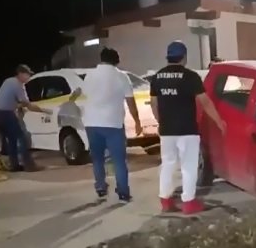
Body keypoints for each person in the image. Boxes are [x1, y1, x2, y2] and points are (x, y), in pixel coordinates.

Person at [150, 40, 225, 215]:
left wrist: (161, 121)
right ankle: (188, 202)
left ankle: (165, 200)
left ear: (168, 56)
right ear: (183, 57)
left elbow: (154, 104)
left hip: (167, 131)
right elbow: (205, 102)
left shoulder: (157, 77)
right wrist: (219, 121)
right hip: (187, 130)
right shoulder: (190, 76)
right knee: (188, 166)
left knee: (167, 164)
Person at [71, 47, 141, 202]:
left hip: (92, 124)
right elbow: (130, 101)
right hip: (113, 124)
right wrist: (137, 122)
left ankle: (101, 187)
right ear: (116, 60)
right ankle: (123, 192)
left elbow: (77, 92)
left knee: (97, 159)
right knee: (119, 160)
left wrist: (71, 101)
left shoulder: (90, 75)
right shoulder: (121, 77)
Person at [0, 64, 51, 172]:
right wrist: (44, 111)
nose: (29, 78)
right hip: (5, 114)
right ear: (21, 74)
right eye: (28, 75)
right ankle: (29, 165)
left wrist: (18, 106)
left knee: (12, 139)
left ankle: (14, 165)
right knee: (21, 137)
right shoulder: (18, 85)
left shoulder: (8, 81)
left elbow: (9, 99)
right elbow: (28, 105)